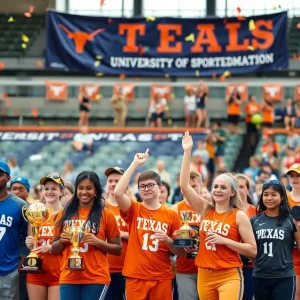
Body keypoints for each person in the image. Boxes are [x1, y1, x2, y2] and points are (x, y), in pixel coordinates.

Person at [179, 132, 257, 300]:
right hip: (204, 273)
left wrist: (225, 241)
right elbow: (185, 186)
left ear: (232, 192)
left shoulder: (239, 215)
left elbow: (253, 250)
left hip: (229, 274)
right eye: (215, 187)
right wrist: (187, 151)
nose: (217, 190)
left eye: (223, 187)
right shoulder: (206, 208)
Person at [114, 150, 185, 300]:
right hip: (136, 276)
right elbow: (118, 193)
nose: (146, 189)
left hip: (162, 277)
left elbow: (181, 253)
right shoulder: (135, 209)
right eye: (142, 186)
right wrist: (135, 164)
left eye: (150, 185)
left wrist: (167, 240)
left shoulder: (172, 214)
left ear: (160, 187)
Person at [52, 171, 122, 300]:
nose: (84, 192)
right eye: (81, 188)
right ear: (76, 190)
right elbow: (54, 248)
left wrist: (98, 242)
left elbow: (118, 249)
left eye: (89, 188)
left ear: (96, 190)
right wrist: (62, 241)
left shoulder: (106, 214)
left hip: (96, 277)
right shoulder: (64, 213)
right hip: (68, 277)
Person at [251, 179, 300, 300]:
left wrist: (299, 227)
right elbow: (251, 249)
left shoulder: (290, 220)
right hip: (260, 276)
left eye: (274, 194)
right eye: (266, 194)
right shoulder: (254, 221)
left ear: (282, 197)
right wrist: (257, 265)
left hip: (284, 277)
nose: (269, 198)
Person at [25, 174, 65, 300]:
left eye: (54, 189)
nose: (49, 192)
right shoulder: (35, 213)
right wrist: (30, 244)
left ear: (62, 192)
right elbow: (32, 247)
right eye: (46, 189)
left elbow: (69, 242)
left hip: (58, 271)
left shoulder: (66, 214)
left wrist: (51, 247)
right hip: (36, 270)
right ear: (42, 191)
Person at [0, 161, 28, 300]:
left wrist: (21, 261)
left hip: (9, 270)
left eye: (0, 175)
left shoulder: (20, 205)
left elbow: (27, 235)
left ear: (8, 178)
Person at [173, 170, 202, 300]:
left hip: (208, 268)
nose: (190, 189)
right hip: (185, 268)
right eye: (187, 186)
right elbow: (169, 238)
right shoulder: (174, 209)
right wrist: (181, 239)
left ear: (201, 185)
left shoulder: (209, 207)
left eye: (194, 186)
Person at [104, 167, 128, 300]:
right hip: (104, 269)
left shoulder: (131, 207)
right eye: (110, 181)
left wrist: (122, 235)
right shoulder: (100, 207)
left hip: (126, 269)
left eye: (118, 181)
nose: (113, 184)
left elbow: (141, 235)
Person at [10, 176, 31, 300]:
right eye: (14, 189)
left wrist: (24, 256)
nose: (17, 192)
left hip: (23, 260)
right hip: (8, 258)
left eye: (21, 189)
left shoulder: (34, 211)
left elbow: (29, 236)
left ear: (27, 192)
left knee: (22, 294)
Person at [236, 174, 256, 300]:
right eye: (236, 186)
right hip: (231, 264)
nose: (238, 189)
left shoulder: (256, 211)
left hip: (250, 265)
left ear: (248, 189)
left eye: (241, 186)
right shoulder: (227, 210)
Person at [287, 164, 300, 300]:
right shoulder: (284, 199)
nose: (295, 179)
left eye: (298, 176)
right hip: (292, 252)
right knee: (296, 294)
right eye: (292, 176)